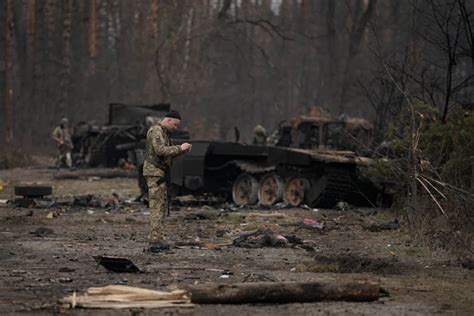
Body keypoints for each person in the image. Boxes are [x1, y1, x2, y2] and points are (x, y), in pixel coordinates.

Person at [143, 110, 192, 253]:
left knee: (161, 207)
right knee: (157, 207)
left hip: (160, 173)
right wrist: (179, 148)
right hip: (155, 174)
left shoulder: (163, 132)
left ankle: (158, 238)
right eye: (175, 125)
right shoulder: (157, 131)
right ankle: (155, 240)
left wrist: (180, 151)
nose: (175, 128)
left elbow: (165, 154)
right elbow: (160, 150)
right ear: (169, 121)